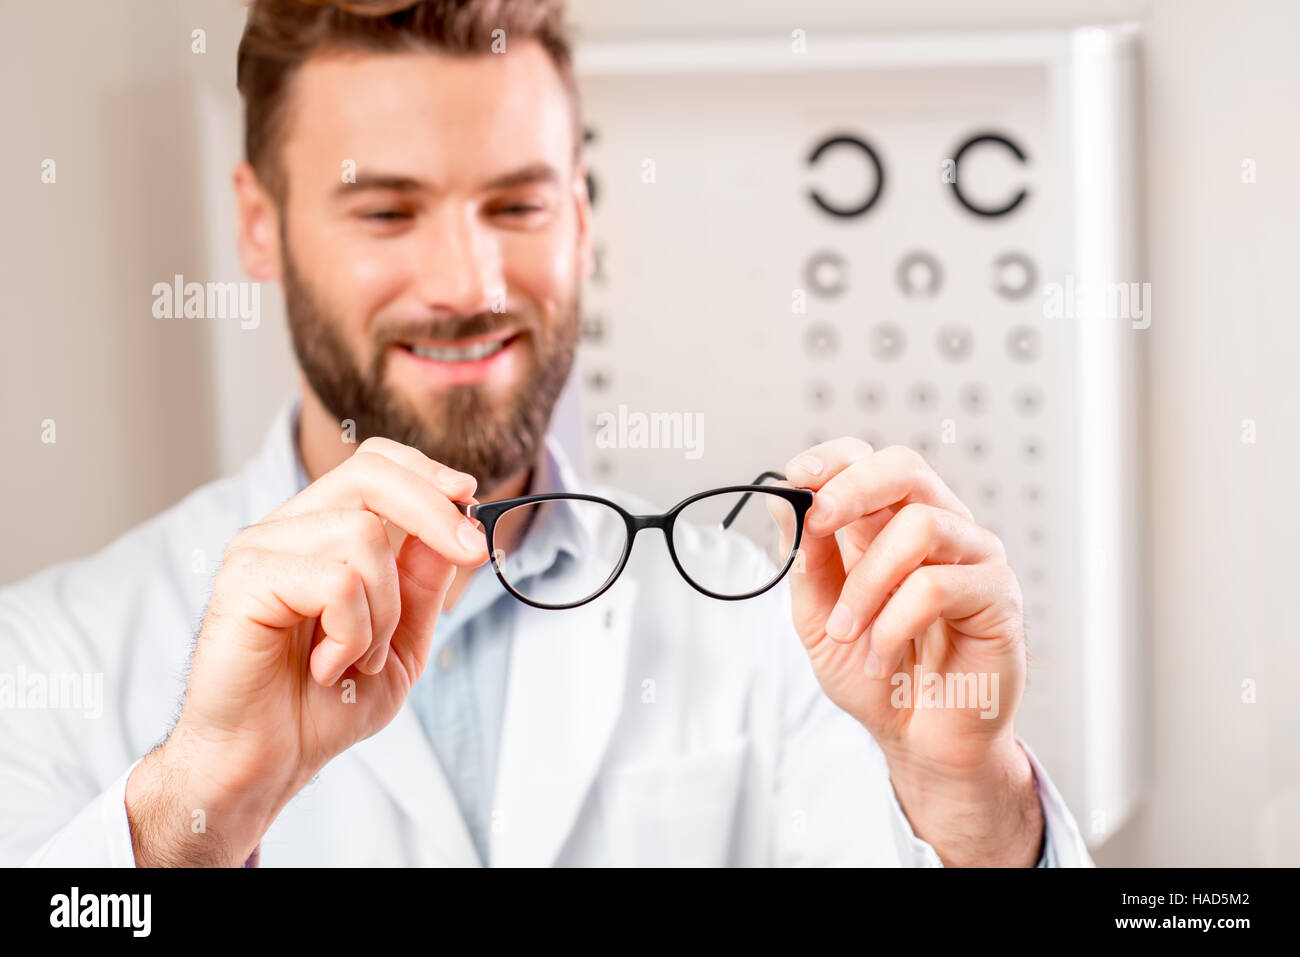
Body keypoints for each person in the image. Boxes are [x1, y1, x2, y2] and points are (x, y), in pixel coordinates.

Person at [0, 0, 1090, 867]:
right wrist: (192, 819)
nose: (471, 285)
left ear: (579, 214)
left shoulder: (782, 632)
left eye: (518, 206)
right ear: (257, 223)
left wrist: (975, 810)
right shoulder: (50, 658)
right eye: (385, 211)